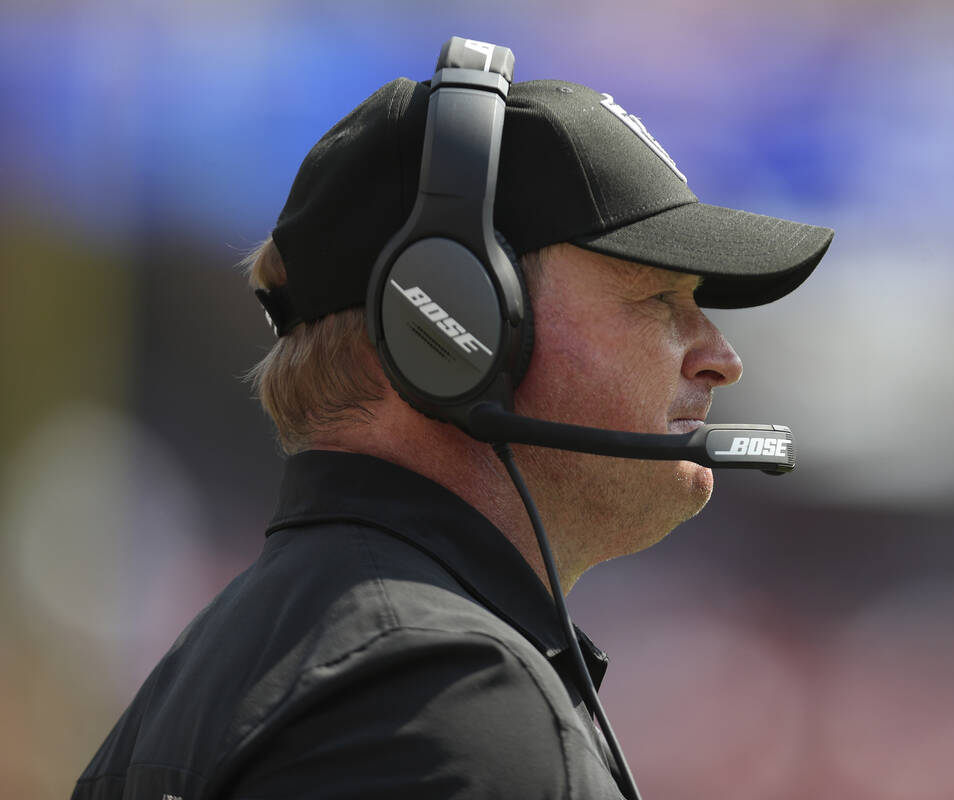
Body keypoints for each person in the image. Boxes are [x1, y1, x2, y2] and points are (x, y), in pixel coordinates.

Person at [71, 42, 832, 800]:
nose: (720, 358)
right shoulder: (447, 699)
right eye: (658, 299)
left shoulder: (216, 670)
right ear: (457, 321)